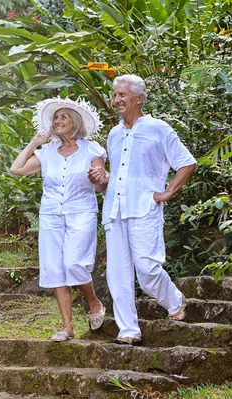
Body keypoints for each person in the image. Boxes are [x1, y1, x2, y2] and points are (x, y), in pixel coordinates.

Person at [88, 75, 197, 346]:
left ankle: (174, 300)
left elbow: (186, 162)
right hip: (115, 210)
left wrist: (168, 191)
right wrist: (102, 179)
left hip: (144, 208)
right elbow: (119, 175)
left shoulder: (159, 129)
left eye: (123, 95)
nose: (117, 100)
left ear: (139, 98)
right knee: (117, 275)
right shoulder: (114, 134)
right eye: (115, 95)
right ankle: (128, 330)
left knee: (148, 270)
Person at [10, 97, 107, 342]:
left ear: (75, 122)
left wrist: (99, 176)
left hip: (81, 212)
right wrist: (35, 141)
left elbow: (102, 184)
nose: (58, 120)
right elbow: (17, 168)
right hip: (51, 215)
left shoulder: (92, 150)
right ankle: (67, 327)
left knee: (74, 264)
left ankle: (93, 302)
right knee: (55, 269)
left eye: (63, 116)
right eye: (56, 117)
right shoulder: (47, 153)